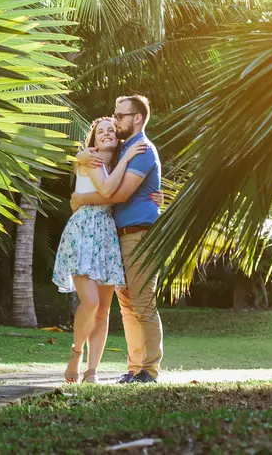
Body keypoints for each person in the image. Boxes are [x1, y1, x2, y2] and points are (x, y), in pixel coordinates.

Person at [71, 94, 163, 384]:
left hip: (139, 234)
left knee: (143, 302)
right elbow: (93, 155)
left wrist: (81, 198)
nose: (116, 119)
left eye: (121, 115)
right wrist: (81, 157)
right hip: (118, 236)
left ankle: (149, 369)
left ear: (137, 118)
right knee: (127, 305)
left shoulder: (143, 149)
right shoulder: (124, 149)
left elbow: (119, 194)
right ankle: (134, 367)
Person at [52, 117, 149, 383]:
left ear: (117, 138)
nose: (106, 134)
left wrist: (156, 196)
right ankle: (76, 353)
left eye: (111, 131)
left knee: (104, 309)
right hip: (84, 229)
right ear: (93, 140)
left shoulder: (117, 165)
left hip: (106, 233)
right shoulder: (88, 159)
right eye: (100, 132)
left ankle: (92, 370)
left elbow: (125, 193)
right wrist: (127, 155)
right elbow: (107, 190)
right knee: (91, 302)